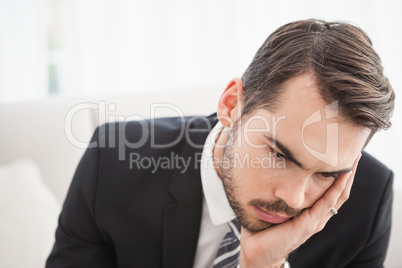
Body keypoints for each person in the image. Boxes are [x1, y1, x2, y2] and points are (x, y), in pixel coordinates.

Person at [46, 19, 395, 268]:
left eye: (326, 174)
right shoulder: (113, 162)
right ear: (231, 106)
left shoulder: (366, 204)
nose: (294, 198)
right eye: (278, 154)